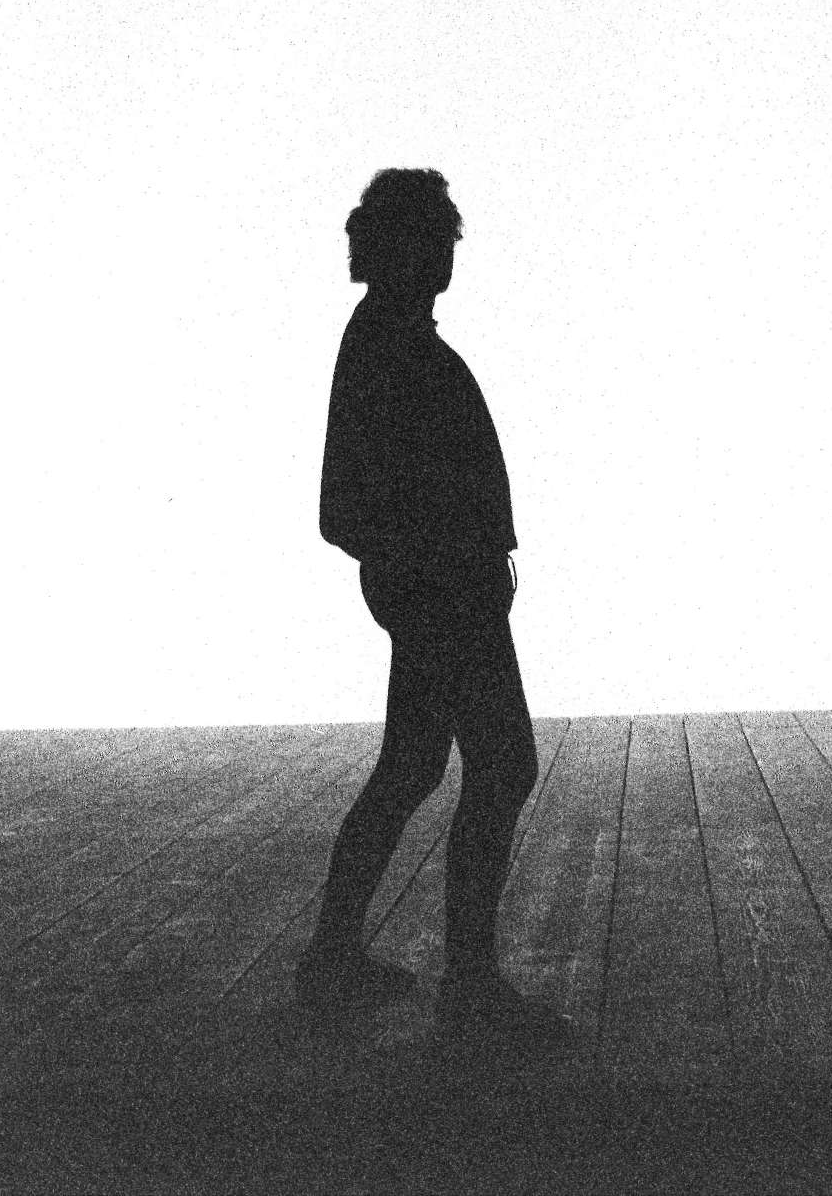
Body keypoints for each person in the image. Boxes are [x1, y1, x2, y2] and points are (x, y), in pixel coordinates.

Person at [298, 167, 567, 1047]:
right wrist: (442, 568)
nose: (450, 251)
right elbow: (345, 507)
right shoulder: (391, 347)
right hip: (445, 599)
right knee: (503, 765)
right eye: (439, 236)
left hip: (439, 595)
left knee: (413, 766)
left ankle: (334, 958)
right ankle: (470, 986)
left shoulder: (386, 337)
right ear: (409, 247)